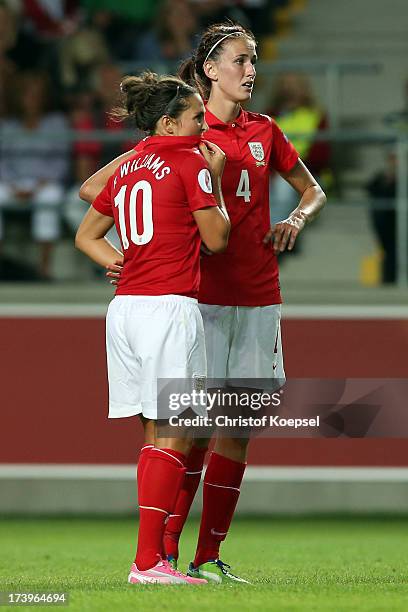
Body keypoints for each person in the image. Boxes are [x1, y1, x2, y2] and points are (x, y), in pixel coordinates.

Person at [80, 21, 327, 583]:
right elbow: (100, 188)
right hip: (200, 298)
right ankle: (161, 554)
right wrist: (143, 250)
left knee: (236, 428)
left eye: (255, 59)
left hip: (259, 294)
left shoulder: (265, 130)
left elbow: (313, 189)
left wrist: (294, 217)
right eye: (239, 60)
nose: (250, 70)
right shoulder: (186, 128)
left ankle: (207, 556)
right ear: (209, 69)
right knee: (186, 427)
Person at [75, 71, 230, 584]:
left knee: (155, 433)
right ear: (168, 122)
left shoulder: (130, 166)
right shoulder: (191, 161)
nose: (202, 126)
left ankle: (151, 558)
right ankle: (148, 562)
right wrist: (217, 182)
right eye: (193, 117)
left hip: (124, 310)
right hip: (168, 307)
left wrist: (118, 260)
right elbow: (217, 239)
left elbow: (85, 234)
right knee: (177, 431)